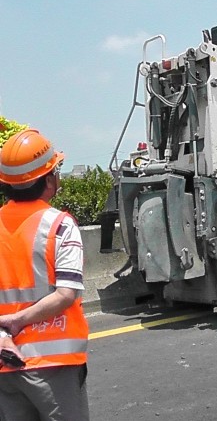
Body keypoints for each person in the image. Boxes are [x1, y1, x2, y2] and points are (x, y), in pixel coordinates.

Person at [0, 129, 89, 421]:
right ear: (49, 180)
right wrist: (18, 320)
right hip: (53, 365)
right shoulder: (60, 226)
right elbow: (66, 293)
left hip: (5, 364)